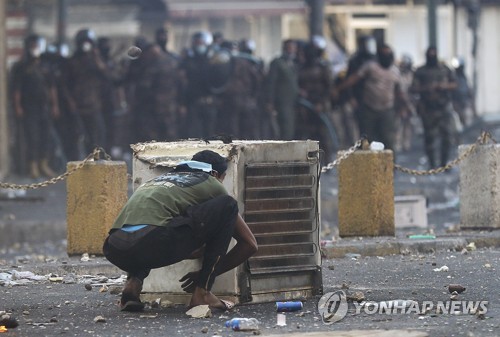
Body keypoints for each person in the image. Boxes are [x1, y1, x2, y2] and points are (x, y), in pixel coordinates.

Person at [103, 150, 258, 312]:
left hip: (114, 247)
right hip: (152, 241)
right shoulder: (210, 182)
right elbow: (249, 244)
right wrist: (206, 273)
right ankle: (202, 293)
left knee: (147, 228)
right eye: (223, 177)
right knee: (228, 205)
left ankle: (132, 287)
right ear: (215, 174)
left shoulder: (156, 181)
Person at [334, 44, 403, 151]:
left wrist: (404, 106)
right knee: (367, 140)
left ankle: (389, 166)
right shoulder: (370, 67)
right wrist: (339, 88)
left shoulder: (395, 71)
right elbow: (354, 78)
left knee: (388, 139)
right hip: (369, 109)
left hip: (386, 109)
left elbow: (399, 91)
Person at [11, 34, 59, 178]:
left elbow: (52, 87)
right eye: (32, 45)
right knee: (32, 137)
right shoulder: (21, 67)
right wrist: (18, 106)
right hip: (29, 108)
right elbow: (16, 89)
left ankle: (43, 164)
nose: (35, 48)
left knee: (45, 137)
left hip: (44, 107)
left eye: (36, 45)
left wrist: (55, 105)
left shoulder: (45, 65)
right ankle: (32, 166)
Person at [64, 28, 109, 155]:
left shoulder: (96, 60)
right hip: (78, 105)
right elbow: (65, 85)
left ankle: (97, 159)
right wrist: (70, 102)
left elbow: (107, 75)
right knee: (79, 136)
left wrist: (96, 57)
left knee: (98, 135)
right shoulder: (72, 62)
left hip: (94, 104)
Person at [411, 46, 457, 169]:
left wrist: (443, 86)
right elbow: (413, 88)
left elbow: (454, 84)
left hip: (443, 107)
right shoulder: (420, 71)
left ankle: (443, 163)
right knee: (430, 138)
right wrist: (427, 88)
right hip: (428, 108)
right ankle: (432, 164)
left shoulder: (444, 69)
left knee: (447, 137)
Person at [264, 39, 300, 140]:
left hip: (292, 102)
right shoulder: (277, 63)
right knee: (285, 128)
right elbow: (271, 83)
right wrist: (269, 101)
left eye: (293, 48)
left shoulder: (293, 64)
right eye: (289, 48)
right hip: (282, 102)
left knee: (291, 127)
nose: (292, 50)